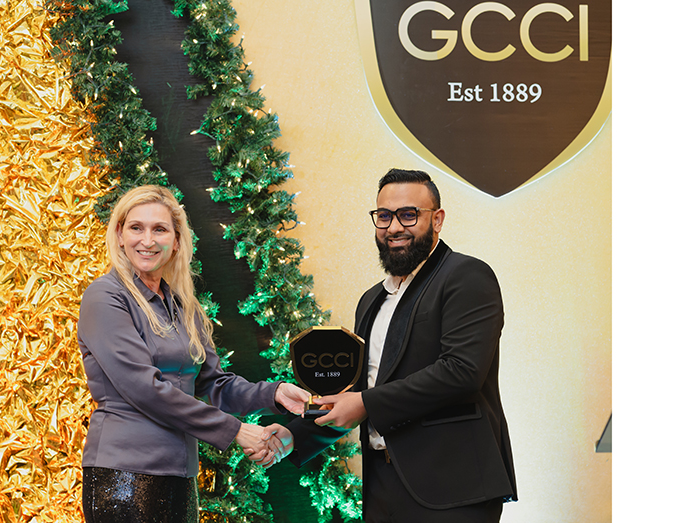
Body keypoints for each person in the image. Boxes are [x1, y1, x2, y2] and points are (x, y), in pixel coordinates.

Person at [272, 169, 517, 522]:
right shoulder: (370, 299)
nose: (394, 228)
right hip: (382, 487)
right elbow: (357, 391)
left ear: (438, 220)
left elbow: (462, 372)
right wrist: (293, 436)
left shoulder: (466, 276)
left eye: (408, 215)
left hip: (453, 489)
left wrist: (364, 402)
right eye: (384, 216)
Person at [77, 185, 308, 523]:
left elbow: (216, 385)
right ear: (120, 235)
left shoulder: (186, 308)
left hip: (180, 477)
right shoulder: (105, 297)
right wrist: (236, 431)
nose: (147, 240)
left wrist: (274, 393)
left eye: (160, 229)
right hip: (124, 475)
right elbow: (144, 388)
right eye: (136, 228)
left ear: (177, 241)